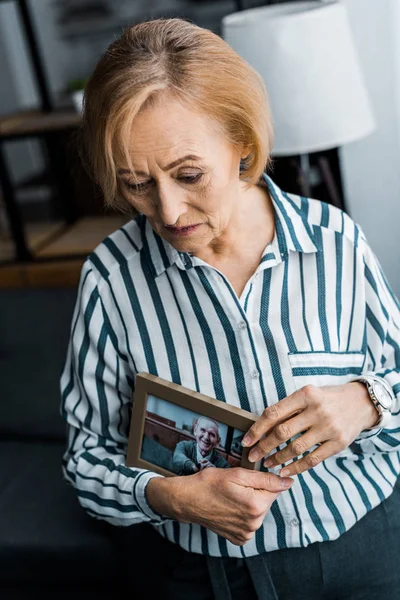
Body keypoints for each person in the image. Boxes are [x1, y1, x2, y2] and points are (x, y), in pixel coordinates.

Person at [60, 17, 400, 599]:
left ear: (242, 143)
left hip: (371, 548)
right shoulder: (112, 281)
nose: (167, 212)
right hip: (217, 576)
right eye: (137, 184)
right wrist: (166, 496)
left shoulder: (336, 241)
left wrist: (367, 404)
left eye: (189, 175)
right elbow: (84, 461)